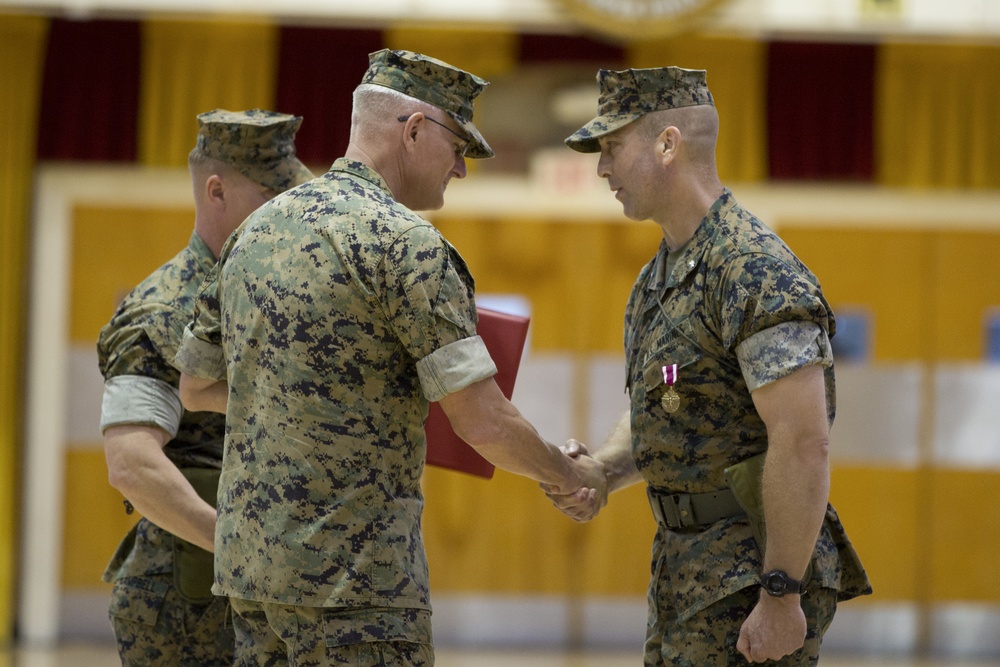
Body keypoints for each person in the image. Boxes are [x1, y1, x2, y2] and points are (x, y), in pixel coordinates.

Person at [172, 49, 603, 666]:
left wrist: (332, 401)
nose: (460, 168)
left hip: (252, 582)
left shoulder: (254, 232)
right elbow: (482, 421)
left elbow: (195, 385)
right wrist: (570, 478)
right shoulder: (407, 247)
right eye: (458, 147)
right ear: (414, 130)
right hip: (356, 592)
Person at [546, 67, 872, 665]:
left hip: (751, 576)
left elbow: (802, 442)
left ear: (668, 144)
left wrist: (780, 593)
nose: (602, 168)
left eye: (613, 147)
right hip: (686, 571)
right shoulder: (661, 275)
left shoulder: (753, 271)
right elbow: (667, 403)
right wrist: (603, 470)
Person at [97, 108, 313, 666]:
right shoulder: (161, 309)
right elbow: (131, 463)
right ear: (216, 191)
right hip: (186, 608)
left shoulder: (270, 296)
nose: (285, 213)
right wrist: (236, 547)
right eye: (270, 195)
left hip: (266, 592)